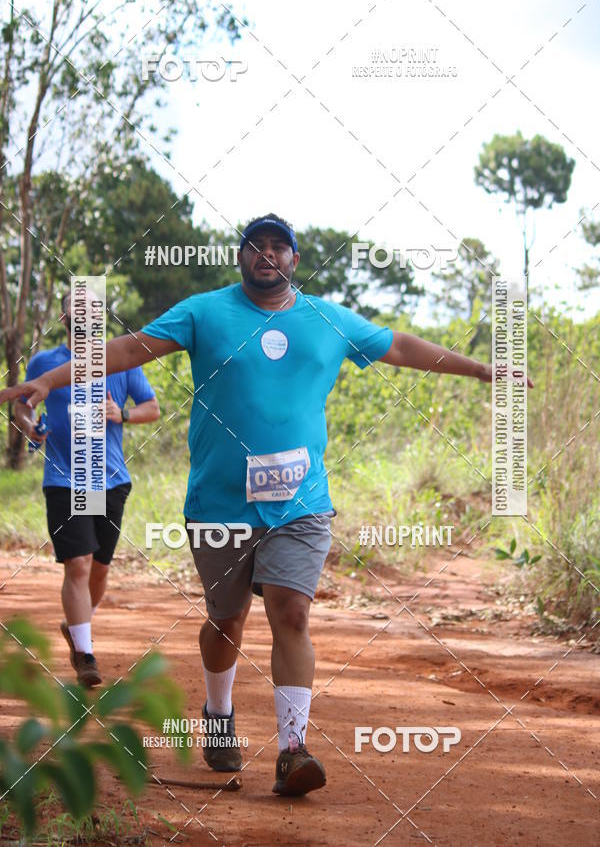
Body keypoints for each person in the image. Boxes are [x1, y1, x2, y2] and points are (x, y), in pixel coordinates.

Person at [1, 213, 532, 795]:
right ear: (242, 258)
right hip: (219, 503)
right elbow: (127, 350)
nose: (268, 253)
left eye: (280, 246)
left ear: (295, 260)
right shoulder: (204, 312)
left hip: (301, 504)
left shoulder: (327, 318)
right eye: (256, 245)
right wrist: (51, 381)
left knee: (292, 613)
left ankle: (292, 749)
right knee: (226, 622)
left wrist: (484, 369)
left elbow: (400, 344)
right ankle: (218, 714)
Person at [12, 292, 160, 688]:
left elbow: (152, 407)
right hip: (64, 477)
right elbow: (21, 406)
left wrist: (122, 413)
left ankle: (76, 626)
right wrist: (30, 427)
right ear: (64, 318)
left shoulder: (120, 359)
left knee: (98, 569)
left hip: (109, 478)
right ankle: (85, 654)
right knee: (77, 564)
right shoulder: (45, 362)